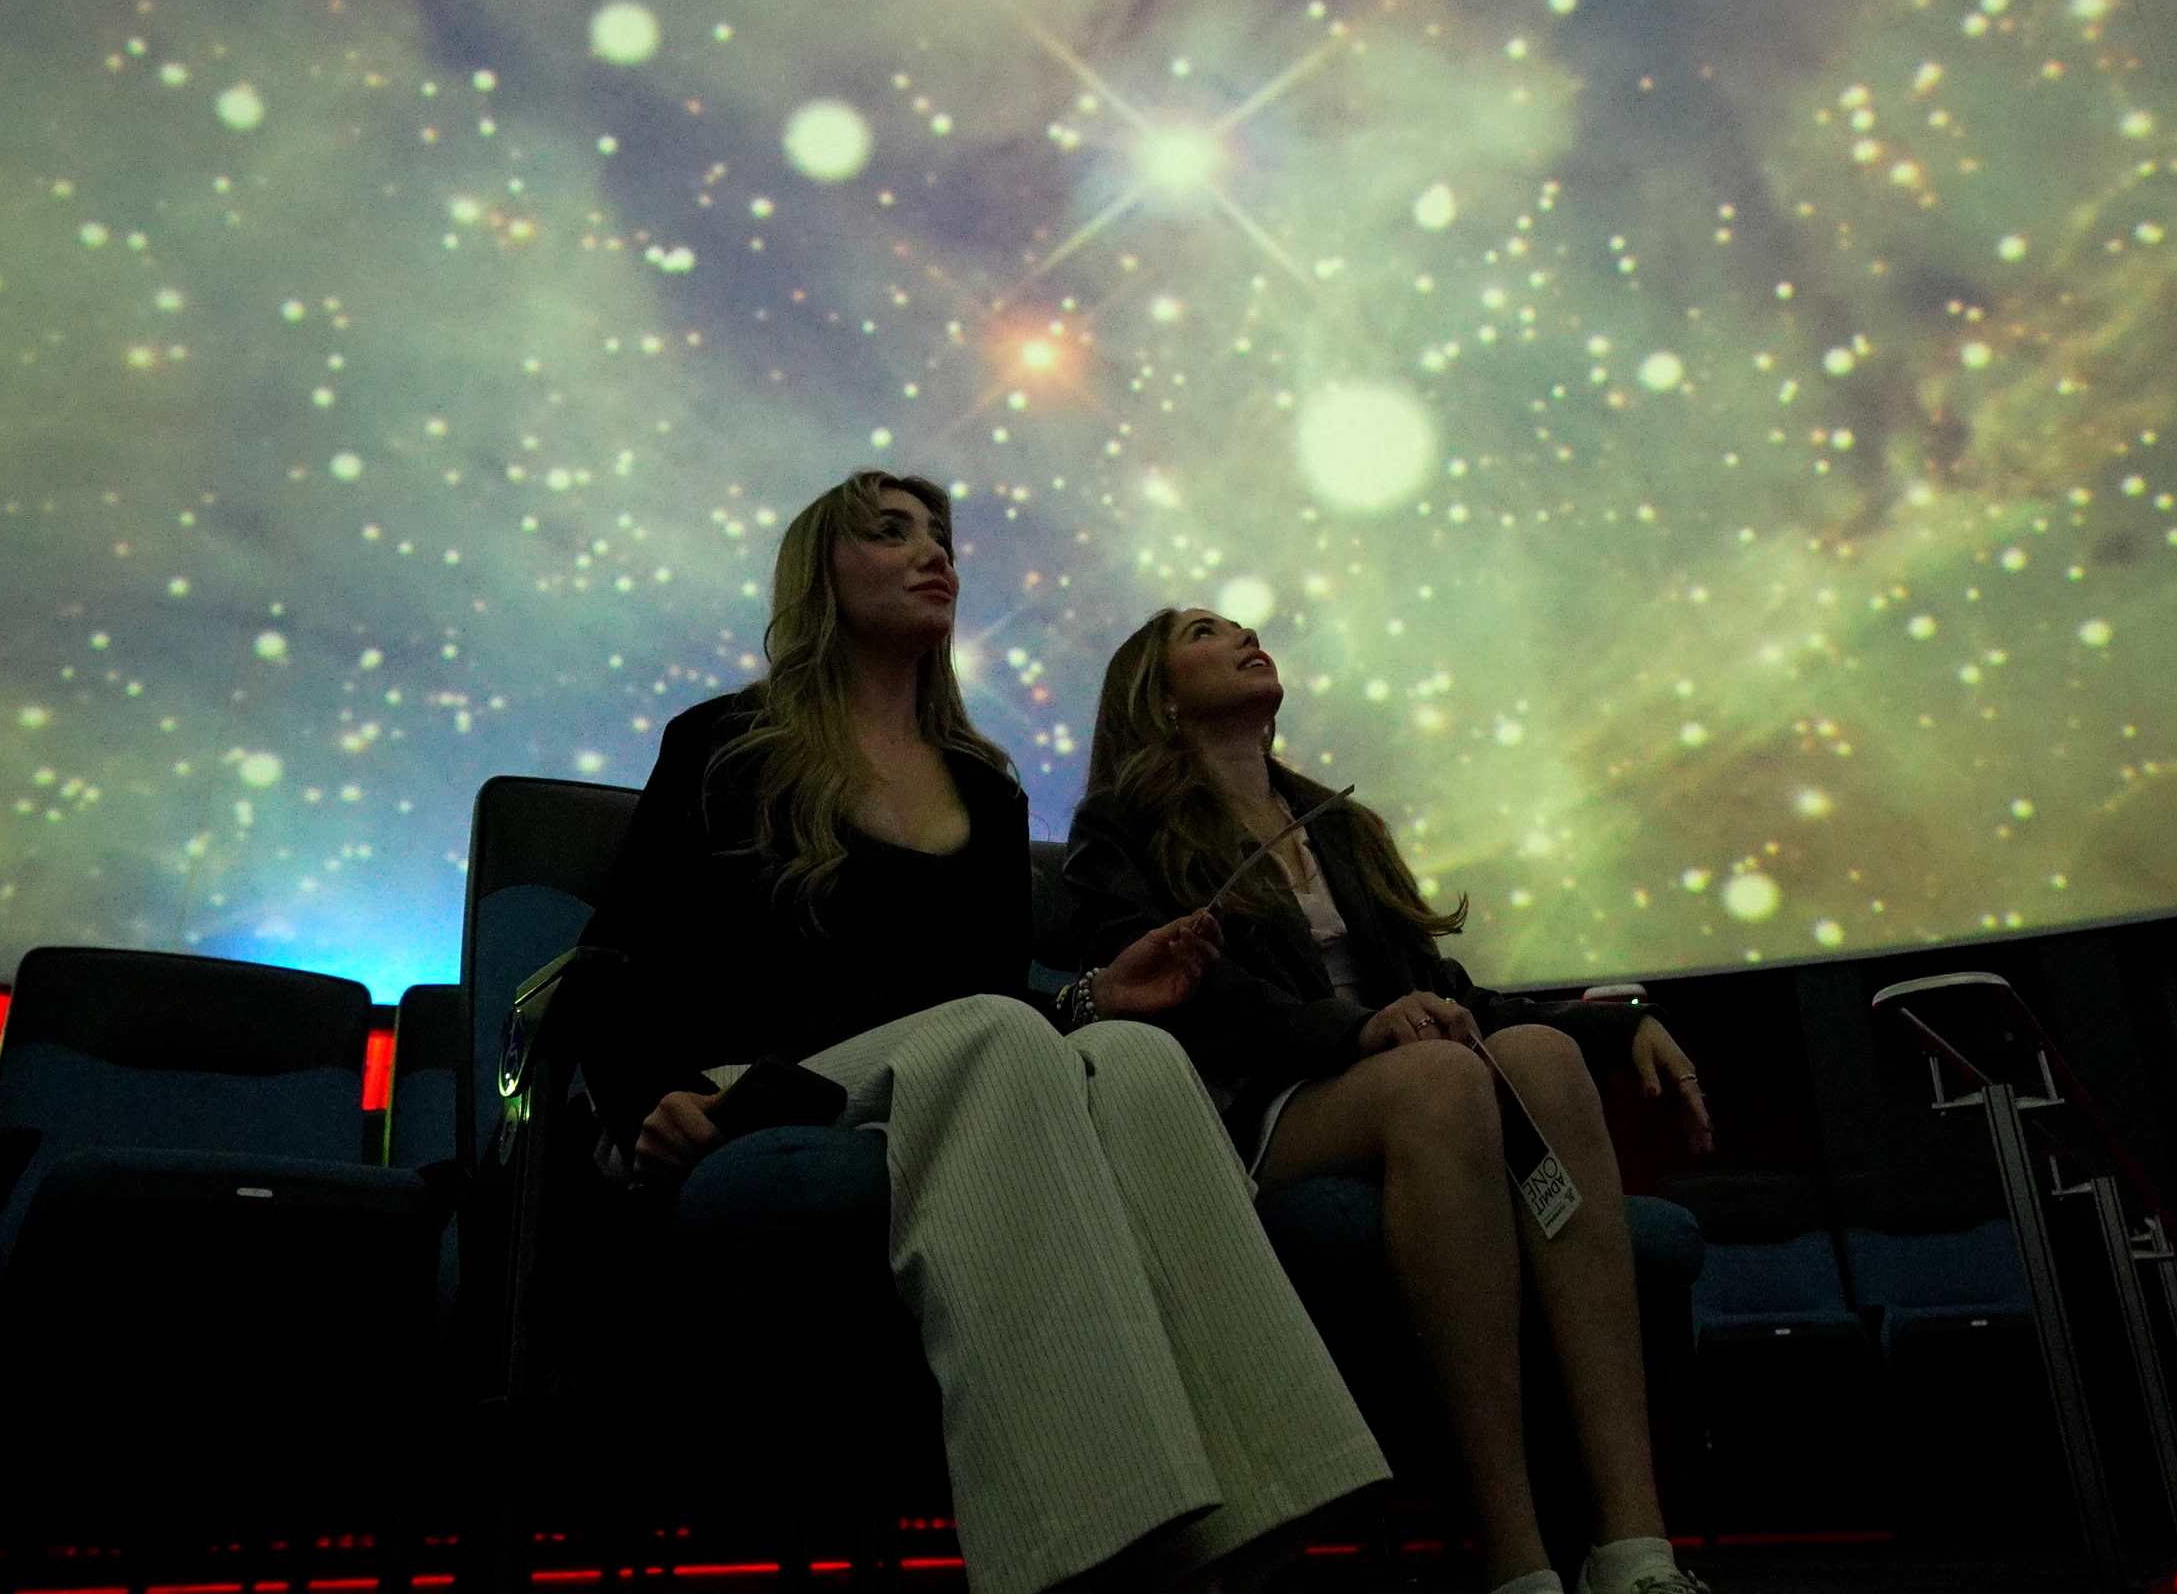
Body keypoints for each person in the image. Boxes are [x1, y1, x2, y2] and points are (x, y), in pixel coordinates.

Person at [566, 474, 1386, 1594]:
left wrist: (1098, 999)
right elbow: (613, 963)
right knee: (997, 1043)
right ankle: (1093, 1551)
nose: (931, 553)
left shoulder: (986, 791)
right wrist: (642, 1100)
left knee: (1140, 1061)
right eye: (890, 533)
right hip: (757, 1085)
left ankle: (1264, 1516)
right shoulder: (723, 742)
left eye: (940, 538)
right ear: (822, 571)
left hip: (944, 1071)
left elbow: (984, 1006)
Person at [1055, 607, 1718, 1594]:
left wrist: (1612, 1023)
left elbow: (1446, 992)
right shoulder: (1124, 829)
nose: (1245, 635)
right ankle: (1514, 1561)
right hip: (1261, 1109)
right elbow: (1180, 999)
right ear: (1156, 690)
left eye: (1244, 625)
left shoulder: (1342, 826)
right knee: (1444, 1079)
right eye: (1205, 631)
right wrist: (1353, 1032)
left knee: (1536, 1056)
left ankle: (1634, 1550)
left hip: (1412, 1084)